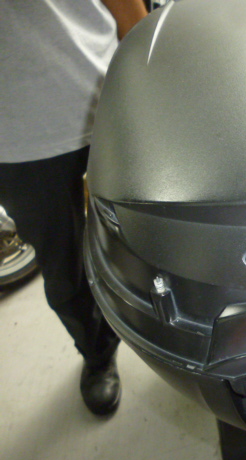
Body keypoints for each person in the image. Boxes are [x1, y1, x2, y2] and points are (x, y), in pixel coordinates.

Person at [0, 0, 147, 415]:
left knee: (155, 236)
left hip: (103, 90)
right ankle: (97, 353)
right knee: (63, 267)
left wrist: (147, 64)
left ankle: (180, 342)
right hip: (14, 138)